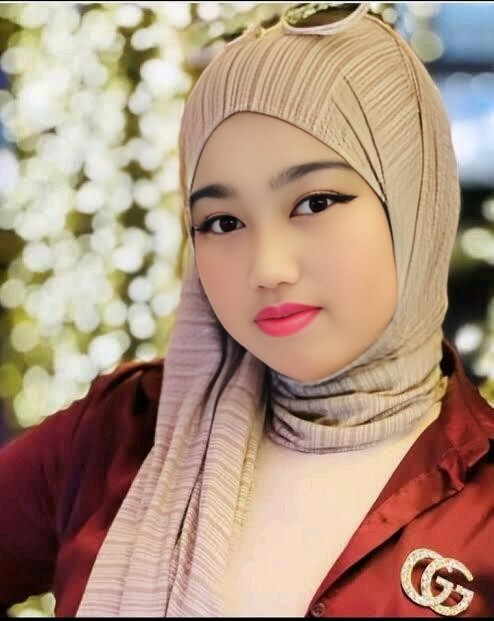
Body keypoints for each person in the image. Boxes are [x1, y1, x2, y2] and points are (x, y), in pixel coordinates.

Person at [1, 3, 493, 617]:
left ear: (416, 202)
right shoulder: (119, 434)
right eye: (222, 222)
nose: (268, 267)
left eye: (315, 203)